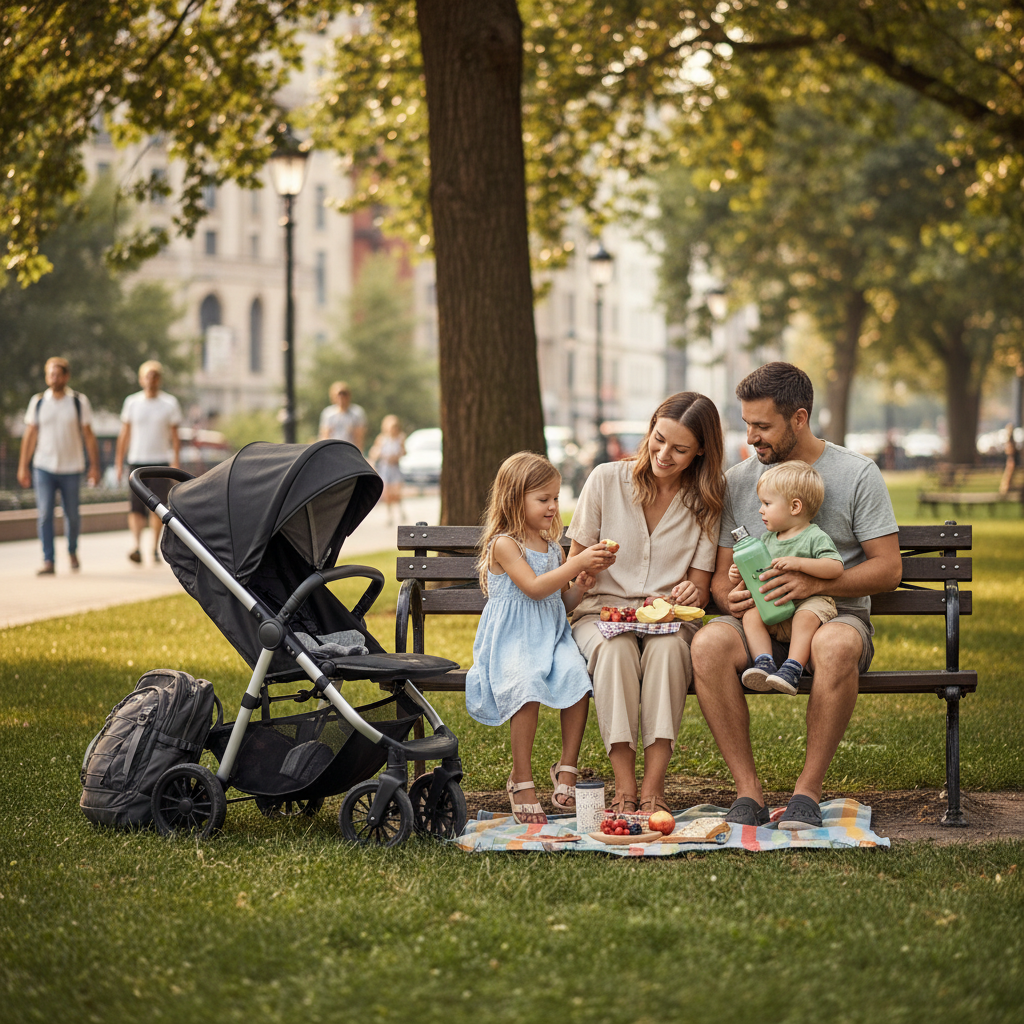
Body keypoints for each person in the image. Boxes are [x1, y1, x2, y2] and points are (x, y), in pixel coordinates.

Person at [691, 362, 901, 831]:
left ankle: (807, 792)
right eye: (747, 424)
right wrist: (734, 599)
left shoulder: (856, 474)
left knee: (837, 645)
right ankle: (748, 792)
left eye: (762, 426)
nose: (750, 438)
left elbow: (889, 568)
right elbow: (723, 581)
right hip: (761, 622)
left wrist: (816, 584)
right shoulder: (741, 481)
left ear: (799, 419)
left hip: (831, 617)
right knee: (706, 645)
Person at [566, 392, 725, 816]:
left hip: (669, 619)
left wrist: (693, 592)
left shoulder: (706, 501)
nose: (663, 455)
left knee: (670, 650)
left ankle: (654, 787)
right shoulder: (605, 480)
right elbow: (574, 569)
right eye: (658, 440)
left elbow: (701, 587)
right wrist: (583, 570)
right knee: (615, 650)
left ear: (702, 451)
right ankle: (625, 786)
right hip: (602, 613)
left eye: (679, 449)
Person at [465, 451, 616, 824]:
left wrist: (579, 586)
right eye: (543, 499)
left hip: (550, 636)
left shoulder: (552, 546)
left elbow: (557, 601)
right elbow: (533, 588)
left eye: (555, 498)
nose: (552, 507)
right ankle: (521, 779)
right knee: (527, 683)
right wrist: (577, 563)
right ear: (516, 499)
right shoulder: (505, 544)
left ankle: (567, 767)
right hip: (512, 640)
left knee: (578, 680)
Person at [728, 460, 843, 696]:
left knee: (805, 615)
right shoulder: (767, 540)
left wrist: (800, 563)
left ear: (795, 507)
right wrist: (738, 573)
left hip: (809, 606)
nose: (760, 509)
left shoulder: (813, 536)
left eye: (767, 503)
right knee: (751, 614)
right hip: (777, 609)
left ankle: (792, 668)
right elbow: (759, 574)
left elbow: (835, 567)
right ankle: (764, 662)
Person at [16, 357, 101, 575]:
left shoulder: (78, 401)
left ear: (66, 376)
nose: (53, 378)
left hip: (72, 467)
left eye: (57, 374)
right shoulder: (38, 402)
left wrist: (94, 466)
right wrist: (23, 466)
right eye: (50, 374)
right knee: (44, 514)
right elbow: (30, 435)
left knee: (71, 514)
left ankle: (72, 550)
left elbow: (88, 435)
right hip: (43, 466)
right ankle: (48, 560)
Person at [115, 361, 182, 565]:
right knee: (135, 507)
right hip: (137, 462)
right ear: (141, 379)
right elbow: (124, 433)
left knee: (158, 507)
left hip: (160, 462)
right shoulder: (132, 402)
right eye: (147, 376)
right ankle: (136, 546)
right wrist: (119, 462)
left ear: (159, 379)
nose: (151, 380)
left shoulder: (169, 403)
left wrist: (175, 461)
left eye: (154, 376)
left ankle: (153, 547)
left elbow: (175, 436)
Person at [367, 414, 406, 525]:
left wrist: (397, 456)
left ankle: (400, 511)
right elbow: (373, 453)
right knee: (388, 493)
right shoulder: (382, 439)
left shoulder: (400, 438)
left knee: (396, 492)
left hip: (395, 468)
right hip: (385, 468)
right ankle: (390, 515)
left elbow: (404, 451)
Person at [318, 381, 367, 451]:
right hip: (333, 449)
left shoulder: (357, 412)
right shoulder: (328, 413)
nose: (341, 398)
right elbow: (325, 435)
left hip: (350, 449)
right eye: (338, 395)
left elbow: (359, 436)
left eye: (344, 394)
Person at [998, 422, 1018, 496]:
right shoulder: (1010, 440)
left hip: (1011, 460)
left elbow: (1010, 451)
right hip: (1010, 460)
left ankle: (1006, 488)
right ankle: (1005, 488)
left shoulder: (1011, 440)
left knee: (1009, 474)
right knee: (1008, 475)